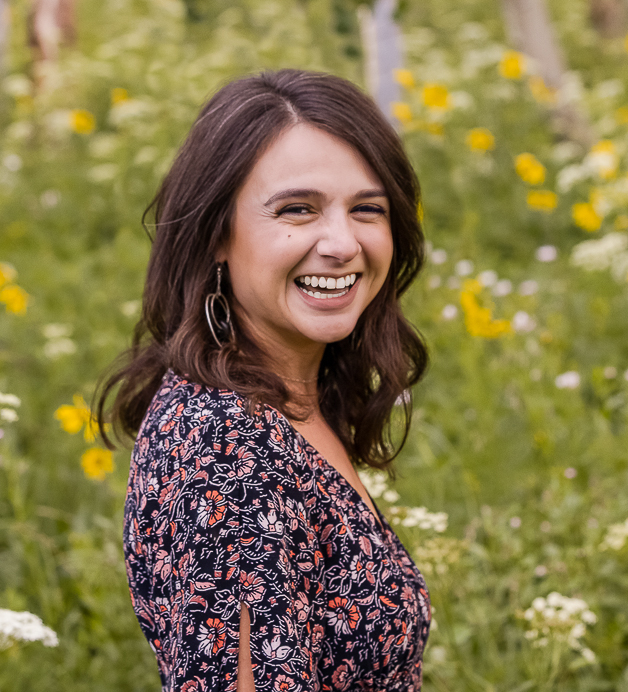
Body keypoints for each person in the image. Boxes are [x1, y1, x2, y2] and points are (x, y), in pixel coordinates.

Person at [93, 69, 432, 691]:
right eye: (297, 210)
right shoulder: (228, 462)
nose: (342, 243)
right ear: (216, 234)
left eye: (367, 209)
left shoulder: (288, 401)